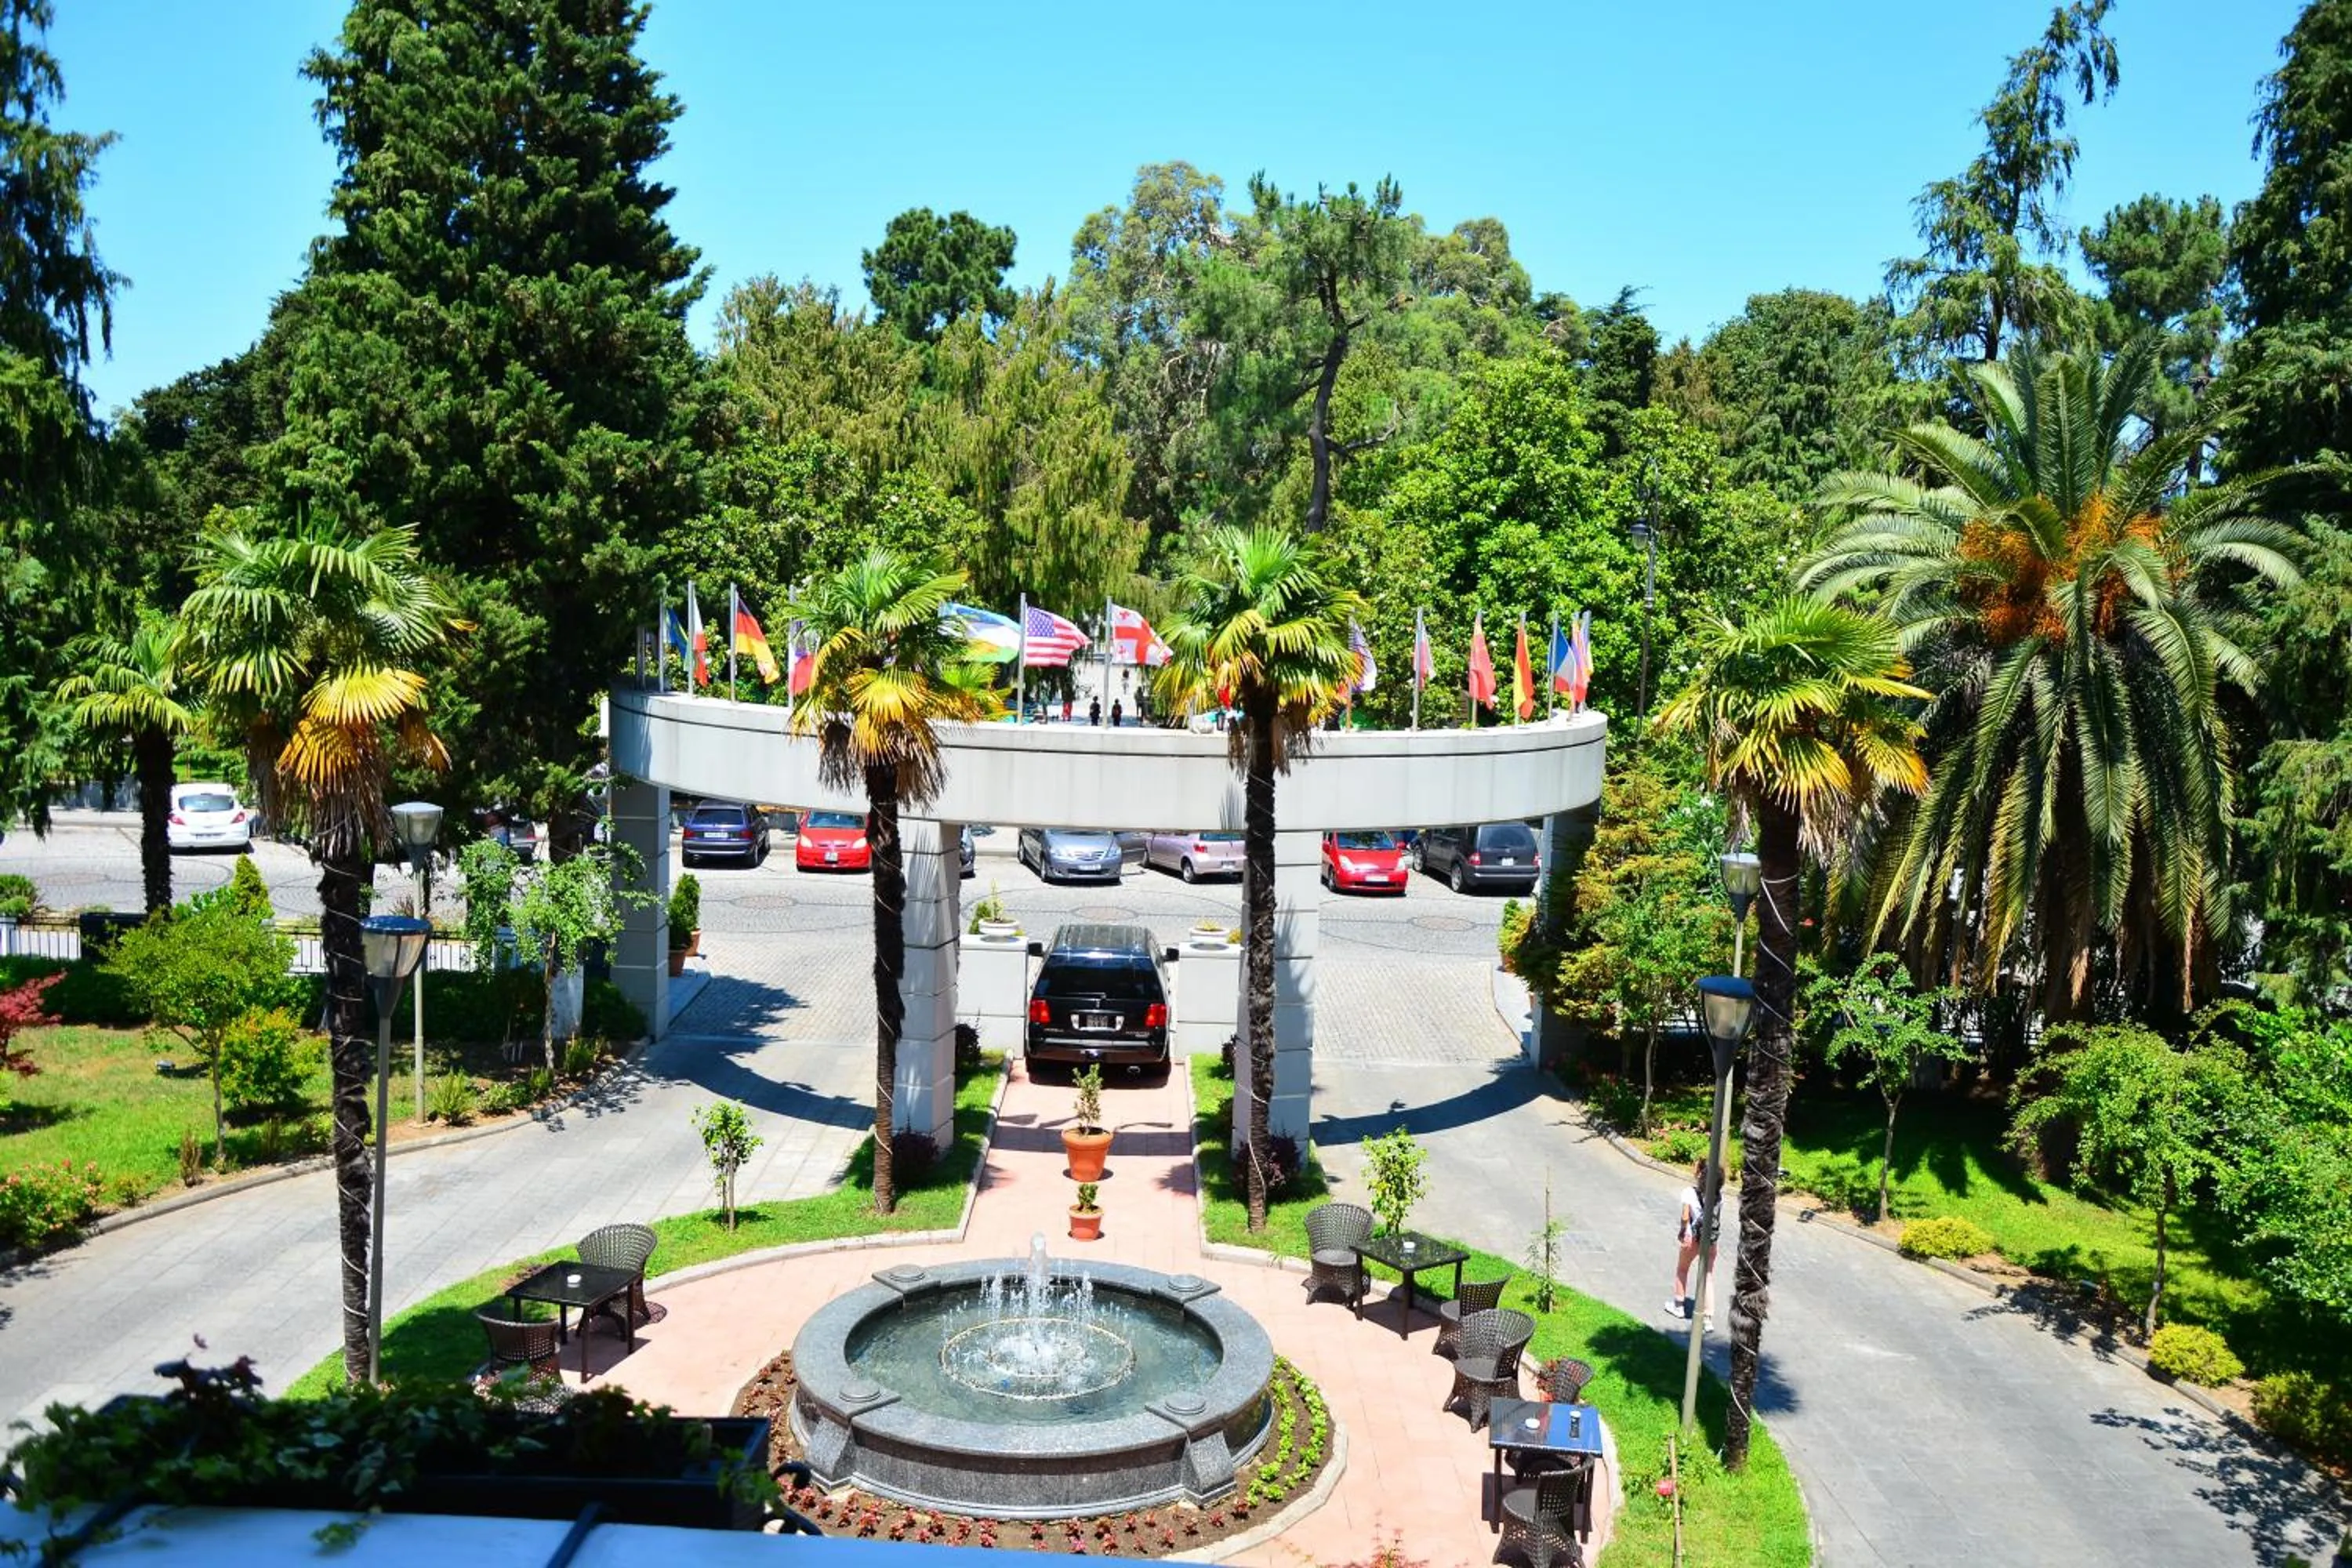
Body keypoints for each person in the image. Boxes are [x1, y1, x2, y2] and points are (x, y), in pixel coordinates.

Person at [1670, 1159, 1716, 1327]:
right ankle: (1708, 1318)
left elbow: (1685, 1217)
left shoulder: (1689, 1192)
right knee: (1708, 1276)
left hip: (1692, 1238)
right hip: (1711, 1240)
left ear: (1699, 1174)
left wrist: (1683, 1230)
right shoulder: (1718, 1195)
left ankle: (1679, 1306)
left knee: (1682, 1269)